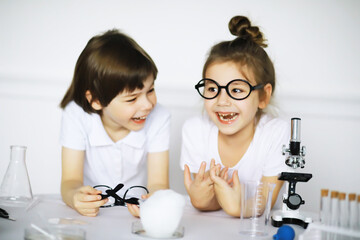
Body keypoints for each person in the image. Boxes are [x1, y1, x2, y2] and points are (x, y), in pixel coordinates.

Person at [180, 16, 290, 217]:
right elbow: (210, 203)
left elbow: (265, 200)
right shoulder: (195, 130)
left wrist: (238, 207)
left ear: (263, 96)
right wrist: (201, 200)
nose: (222, 101)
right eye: (212, 88)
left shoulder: (275, 133)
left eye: (237, 90)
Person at [59, 29, 170, 217]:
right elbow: (70, 181)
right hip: (92, 218)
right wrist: (75, 197)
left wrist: (154, 202)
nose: (148, 104)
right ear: (96, 100)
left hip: (133, 217)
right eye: (132, 99)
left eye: (150, 90)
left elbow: (159, 184)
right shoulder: (76, 115)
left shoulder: (159, 116)